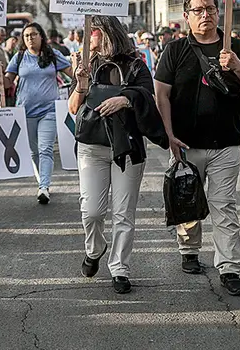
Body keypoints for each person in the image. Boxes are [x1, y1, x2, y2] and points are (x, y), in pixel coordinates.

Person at [154, 0, 240, 294]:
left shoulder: (235, 47)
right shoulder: (175, 50)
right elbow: (161, 96)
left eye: (210, 9)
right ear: (187, 16)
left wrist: (236, 67)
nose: (205, 15)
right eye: (198, 10)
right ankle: (189, 250)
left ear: (218, 13)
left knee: (224, 206)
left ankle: (229, 267)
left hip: (226, 141)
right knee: (188, 202)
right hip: (186, 144)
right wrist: (169, 136)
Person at [69, 17, 167, 294]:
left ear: (107, 33)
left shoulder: (135, 65)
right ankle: (95, 248)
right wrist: (80, 83)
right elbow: (74, 108)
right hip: (92, 146)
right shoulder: (87, 65)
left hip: (127, 147)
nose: (88, 36)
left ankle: (120, 267)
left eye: (94, 31)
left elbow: (149, 96)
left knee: (123, 213)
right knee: (92, 211)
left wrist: (125, 99)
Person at [5, 23, 72, 204]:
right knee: (33, 151)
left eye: (33, 34)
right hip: (25, 112)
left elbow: (72, 73)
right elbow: (6, 83)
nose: (29, 38)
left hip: (49, 110)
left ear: (41, 36)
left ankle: (44, 186)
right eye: (26, 36)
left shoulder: (53, 56)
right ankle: (42, 180)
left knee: (45, 149)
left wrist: (81, 65)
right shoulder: (18, 58)